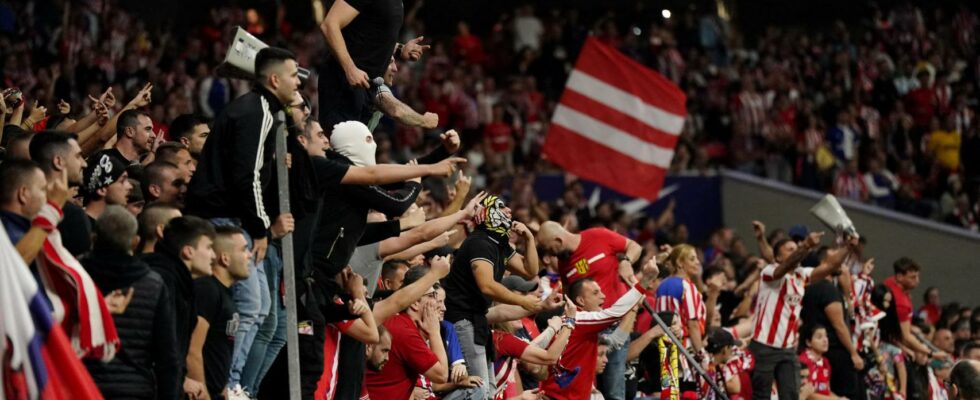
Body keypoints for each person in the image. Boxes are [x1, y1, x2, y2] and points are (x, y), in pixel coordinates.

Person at [443, 195, 542, 393]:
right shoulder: (480, 242)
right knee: (478, 390)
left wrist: (529, 239)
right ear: (487, 214)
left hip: (477, 321)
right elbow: (486, 285)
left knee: (486, 389)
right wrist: (522, 301)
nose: (509, 211)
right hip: (462, 320)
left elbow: (530, 270)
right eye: (501, 207)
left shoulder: (499, 245)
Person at [536, 220, 643, 400]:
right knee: (588, 389)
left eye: (550, 248)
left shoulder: (598, 236)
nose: (550, 255)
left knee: (613, 391)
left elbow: (635, 246)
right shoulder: (564, 264)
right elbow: (570, 300)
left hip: (614, 325)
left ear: (558, 240)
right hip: (585, 334)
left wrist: (626, 260)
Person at [82, 205, 180, 399]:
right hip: (134, 389)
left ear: (93, 238)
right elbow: (167, 356)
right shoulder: (153, 284)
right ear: (135, 242)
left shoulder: (76, 275)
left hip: (82, 385)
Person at [749, 232, 853, 400]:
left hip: (788, 349)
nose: (795, 251)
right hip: (764, 346)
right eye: (790, 249)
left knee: (791, 395)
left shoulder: (801, 275)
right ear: (777, 257)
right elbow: (782, 269)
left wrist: (848, 247)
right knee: (761, 396)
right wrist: (806, 246)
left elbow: (829, 266)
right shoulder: (769, 272)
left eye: (795, 249)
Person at [539, 258, 658, 400]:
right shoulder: (578, 319)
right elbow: (614, 313)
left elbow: (614, 341)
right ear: (581, 301)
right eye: (596, 293)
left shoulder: (578, 323)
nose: (603, 296)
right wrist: (645, 281)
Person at [318, 0, 430, 128]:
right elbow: (329, 25)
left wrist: (400, 49)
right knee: (341, 145)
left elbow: (367, 35)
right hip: (344, 84)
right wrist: (350, 68)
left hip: (366, 87)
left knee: (359, 146)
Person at [141, 216, 216, 399]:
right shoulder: (164, 282)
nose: (213, 255)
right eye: (208, 247)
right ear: (188, 251)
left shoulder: (181, 283)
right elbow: (161, 351)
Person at [365, 266, 450, 400]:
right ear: (415, 302)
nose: (441, 306)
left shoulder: (401, 323)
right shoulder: (405, 332)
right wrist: (434, 332)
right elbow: (442, 375)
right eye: (433, 296)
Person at [187, 225, 250, 400]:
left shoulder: (225, 293)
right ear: (225, 258)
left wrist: (222, 392)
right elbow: (192, 349)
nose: (250, 255)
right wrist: (204, 395)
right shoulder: (207, 289)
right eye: (244, 250)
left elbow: (220, 351)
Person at [800, 257, 865, 400]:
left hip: (823, 352)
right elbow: (839, 325)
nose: (843, 267)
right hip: (838, 352)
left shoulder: (806, 287)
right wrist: (853, 353)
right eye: (838, 263)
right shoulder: (828, 289)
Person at [27, 130, 91, 256]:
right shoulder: (73, 216)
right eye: (78, 156)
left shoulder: (21, 202)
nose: (84, 163)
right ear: (58, 161)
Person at [882, 258, 950, 362]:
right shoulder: (901, 303)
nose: (917, 281)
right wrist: (931, 353)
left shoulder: (890, 281)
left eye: (917, 276)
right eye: (912, 277)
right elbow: (906, 337)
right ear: (899, 277)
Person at [798, 325, 849, 400]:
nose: (825, 340)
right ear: (808, 342)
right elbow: (807, 395)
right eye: (819, 337)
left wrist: (839, 398)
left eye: (826, 336)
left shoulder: (825, 362)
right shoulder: (803, 361)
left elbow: (827, 391)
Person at [81, 151, 132, 223]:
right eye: (122, 181)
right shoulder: (80, 226)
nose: (130, 186)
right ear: (102, 190)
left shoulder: (109, 227)